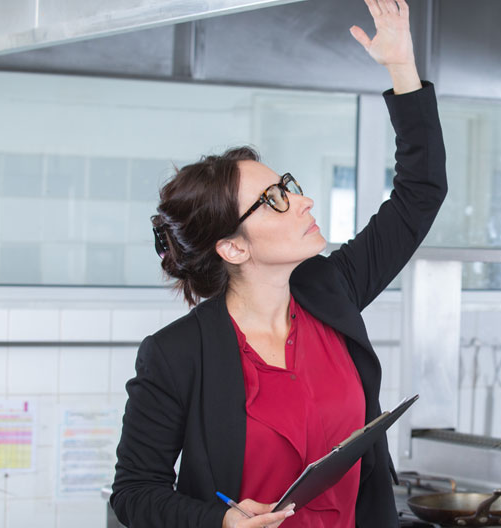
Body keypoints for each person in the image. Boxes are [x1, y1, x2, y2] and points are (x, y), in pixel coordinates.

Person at [109, 1, 445, 526]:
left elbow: (420, 193)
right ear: (233, 248)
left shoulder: (330, 290)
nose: (303, 200)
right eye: (273, 199)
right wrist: (219, 522)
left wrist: (402, 68)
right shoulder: (176, 355)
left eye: (286, 185)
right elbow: (134, 491)